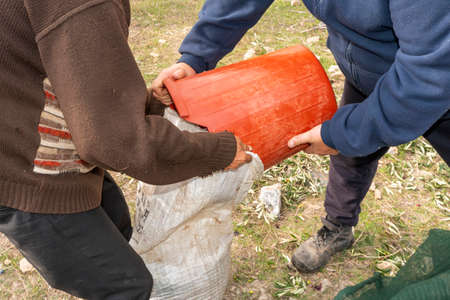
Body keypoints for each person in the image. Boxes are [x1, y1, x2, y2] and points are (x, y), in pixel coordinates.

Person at [152, 0, 450, 273]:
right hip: (370, 69)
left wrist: (340, 133)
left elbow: (429, 74)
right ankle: (338, 227)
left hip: (436, 82)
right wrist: (196, 56)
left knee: (349, 136)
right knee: (350, 154)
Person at [0, 0, 252, 298]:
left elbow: (76, 83)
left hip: (35, 132)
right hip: (25, 172)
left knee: (118, 228)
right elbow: (115, 141)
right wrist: (217, 152)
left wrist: (152, 104)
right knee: (125, 286)